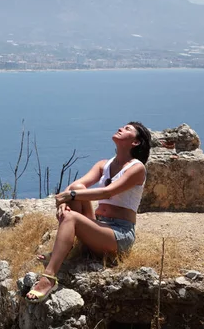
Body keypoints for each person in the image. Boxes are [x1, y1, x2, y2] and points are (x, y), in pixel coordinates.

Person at [25, 122, 152, 303]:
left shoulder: (136, 168)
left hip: (119, 235)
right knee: (76, 188)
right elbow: (76, 186)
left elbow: (108, 192)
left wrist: (70, 196)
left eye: (128, 129)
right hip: (99, 225)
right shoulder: (104, 165)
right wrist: (65, 200)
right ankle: (62, 252)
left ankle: (48, 278)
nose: (121, 128)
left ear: (136, 142)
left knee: (71, 213)